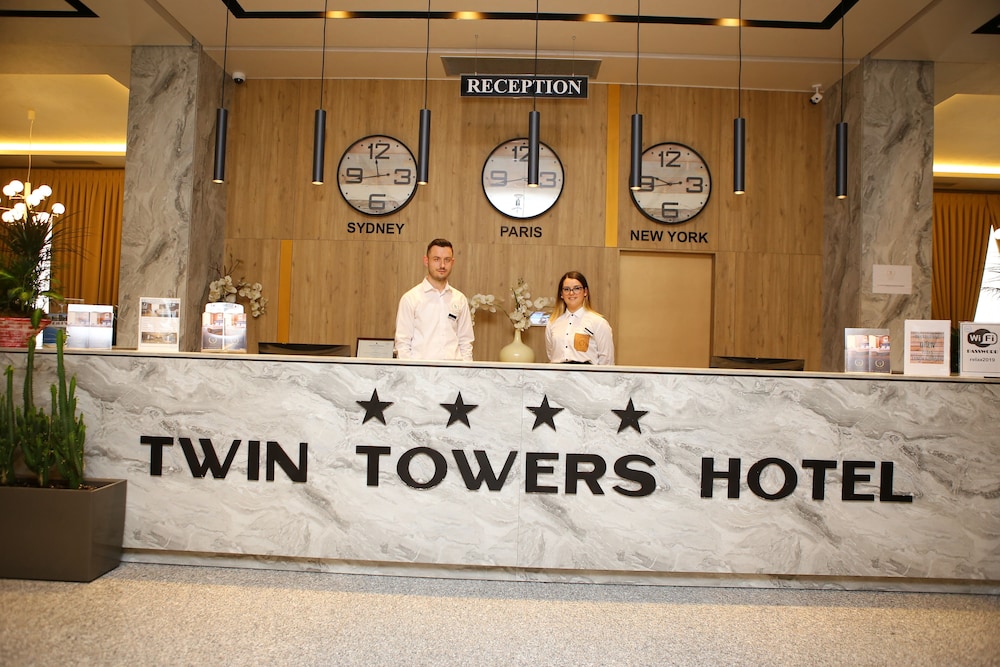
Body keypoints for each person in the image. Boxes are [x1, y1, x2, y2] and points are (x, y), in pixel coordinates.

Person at [394, 238, 474, 361]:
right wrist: (411, 371)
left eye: (447, 260)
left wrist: (465, 370)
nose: (442, 265)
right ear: (426, 261)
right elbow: (402, 344)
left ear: (452, 262)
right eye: (436, 259)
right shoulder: (410, 298)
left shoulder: (459, 299)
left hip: (454, 371)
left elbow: (466, 342)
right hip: (420, 371)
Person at [545, 271, 614, 365]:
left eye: (577, 288)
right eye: (566, 289)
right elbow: (551, 354)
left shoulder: (598, 323)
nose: (571, 293)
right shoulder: (552, 322)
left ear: (585, 292)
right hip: (557, 373)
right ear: (561, 294)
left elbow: (607, 361)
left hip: (587, 374)